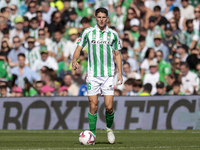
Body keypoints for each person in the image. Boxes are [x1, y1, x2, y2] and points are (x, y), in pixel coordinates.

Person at [72, 8, 123, 144]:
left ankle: (108, 128)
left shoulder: (113, 34)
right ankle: (92, 135)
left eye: (104, 17)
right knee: (93, 105)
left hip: (107, 75)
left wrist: (120, 73)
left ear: (107, 18)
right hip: (93, 75)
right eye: (99, 17)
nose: (101, 19)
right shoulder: (88, 32)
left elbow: (117, 54)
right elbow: (78, 48)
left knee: (109, 107)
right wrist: (74, 60)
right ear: (95, 17)